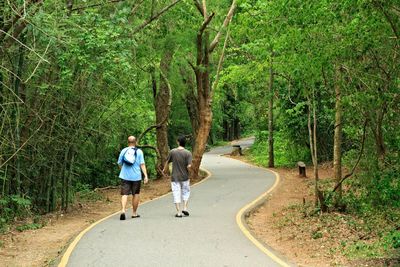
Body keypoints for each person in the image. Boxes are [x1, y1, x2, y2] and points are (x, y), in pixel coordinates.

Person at [117, 136, 148, 220]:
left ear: (128, 142)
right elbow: (142, 164)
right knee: (136, 194)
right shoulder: (139, 152)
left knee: (124, 194)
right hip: (136, 177)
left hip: (125, 176)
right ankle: (134, 213)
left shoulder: (124, 151)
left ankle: (123, 210)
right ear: (135, 142)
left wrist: (122, 170)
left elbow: (119, 163)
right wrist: (145, 175)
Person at [163, 135, 192, 218]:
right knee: (186, 192)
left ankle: (179, 212)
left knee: (176, 193)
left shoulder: (172, 152)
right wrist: (190, 172)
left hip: (175, 177)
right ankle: (185, 208)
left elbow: (167, 162)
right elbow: (189, 166)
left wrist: (164, 170)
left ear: (178, 142)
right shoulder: (188, 153)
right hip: (185, 177)